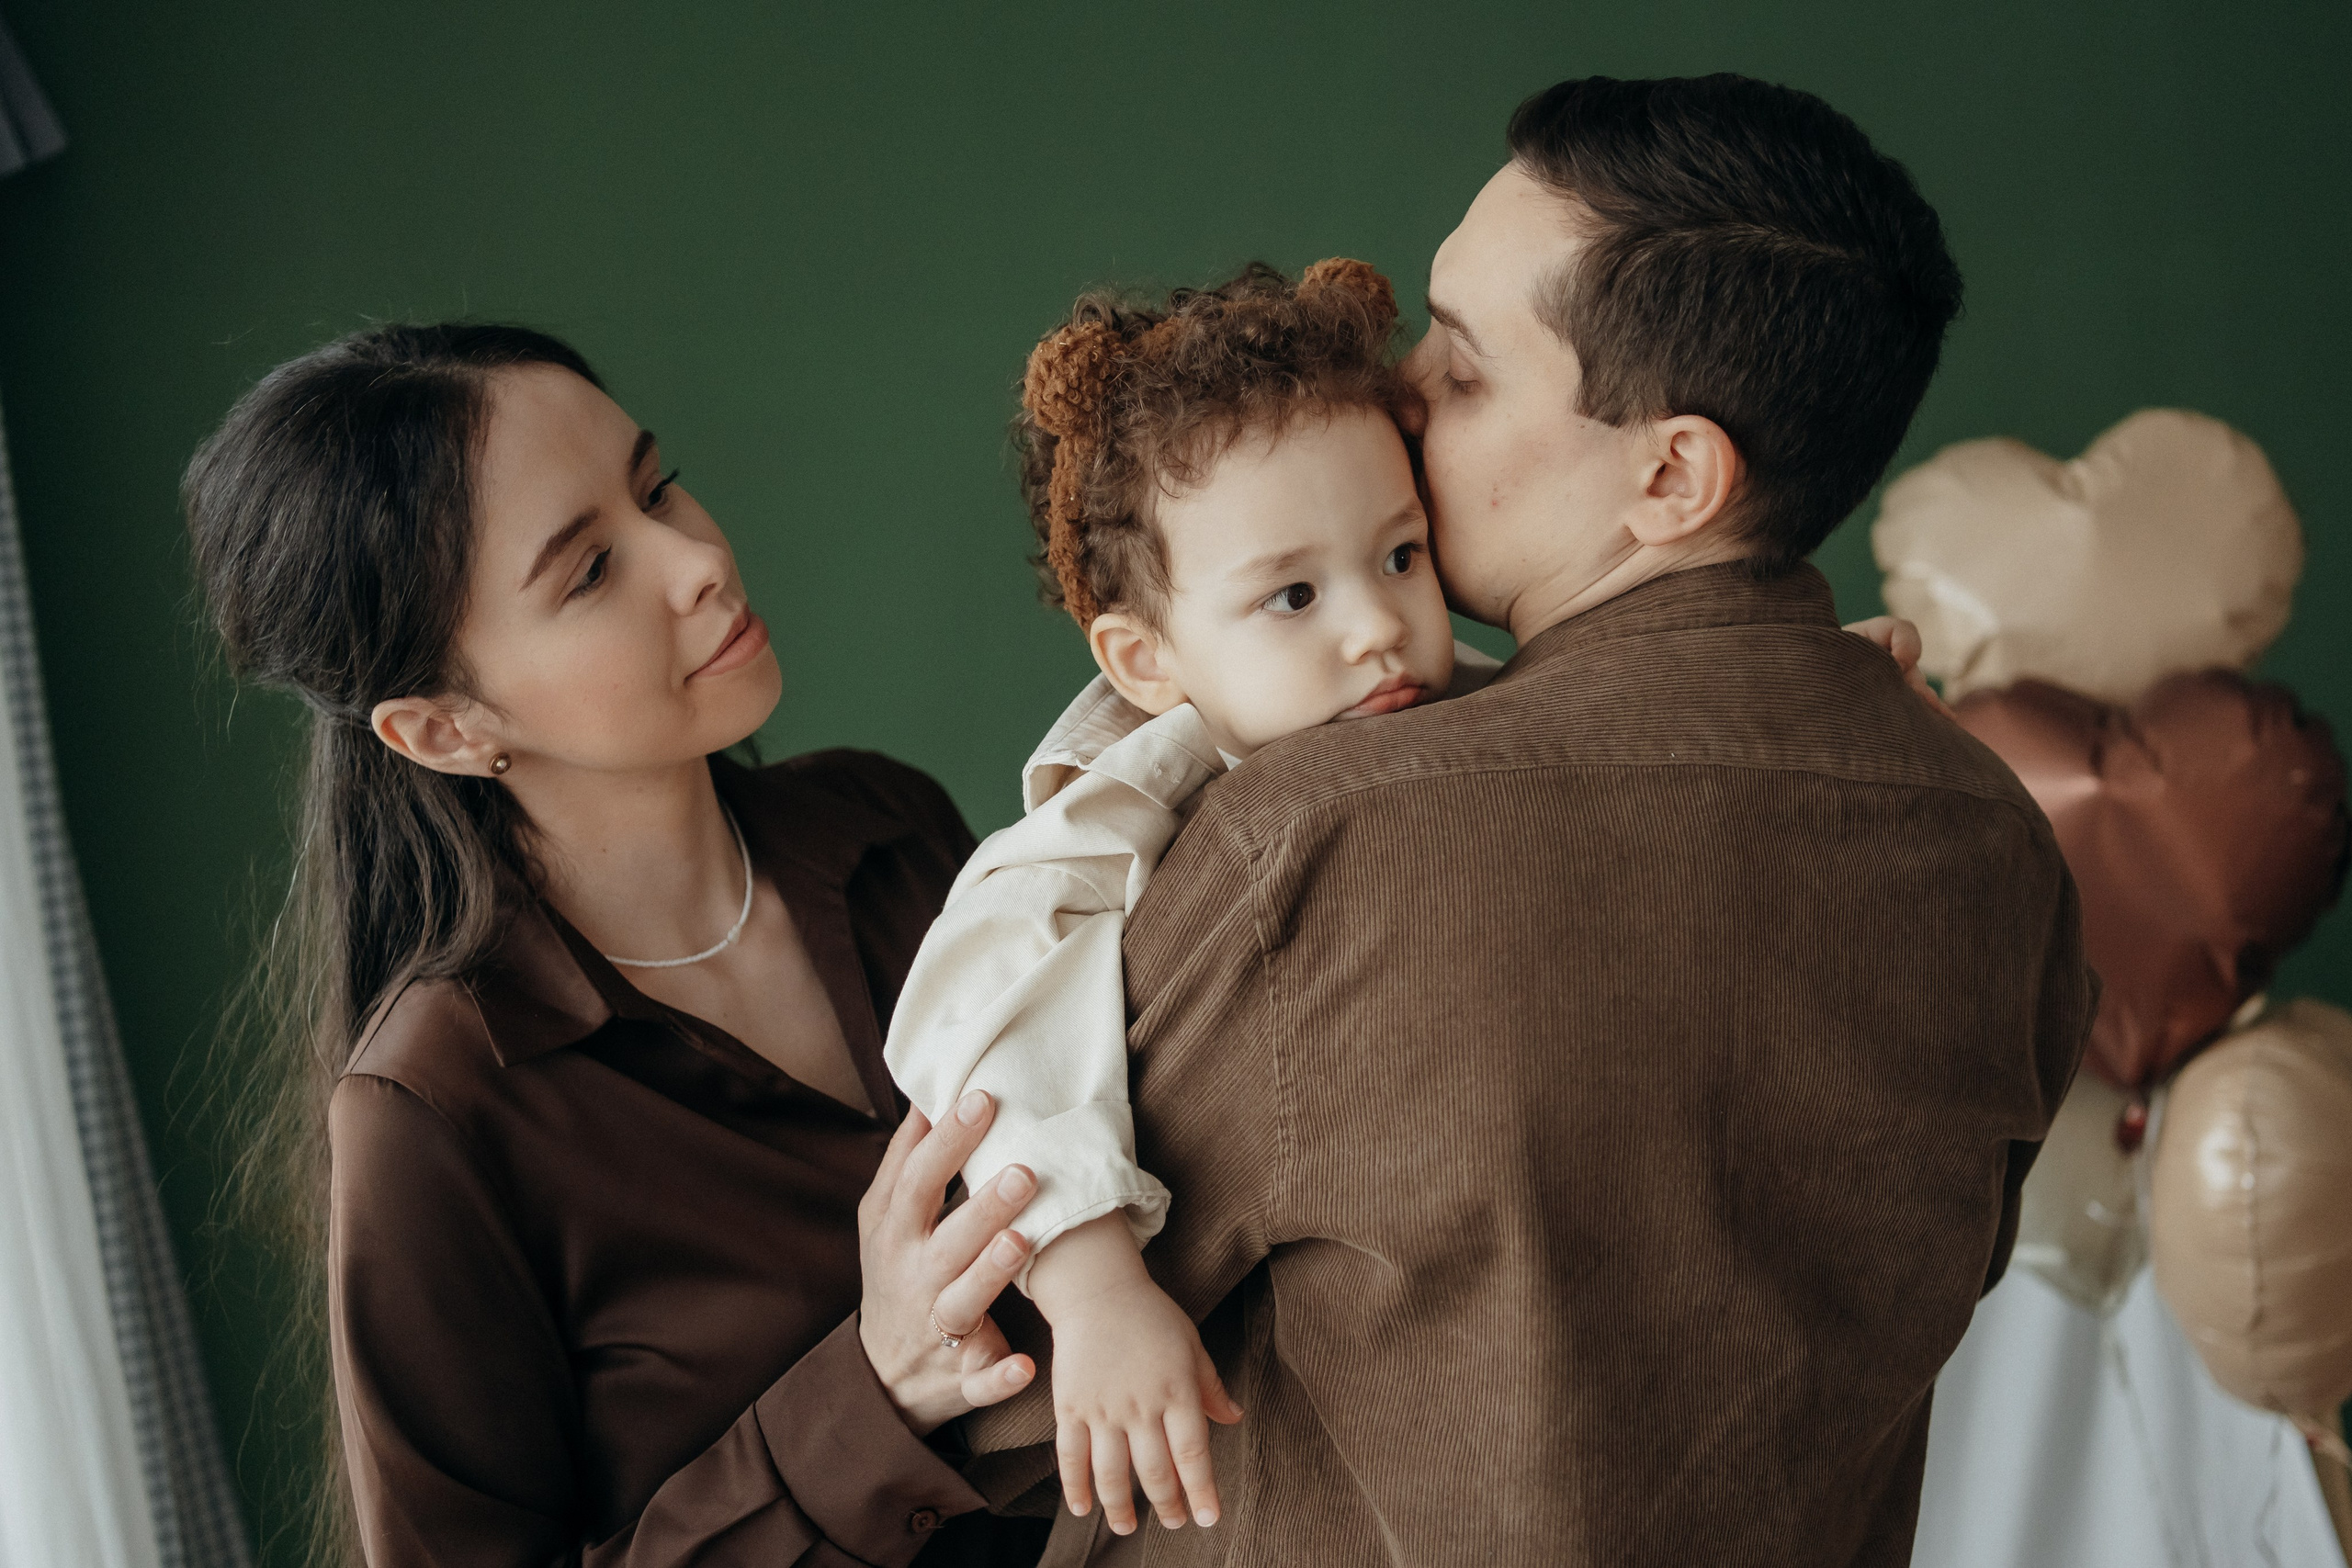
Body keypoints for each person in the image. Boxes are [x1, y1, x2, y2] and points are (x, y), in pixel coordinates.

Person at [965, 73, 2095, 1567]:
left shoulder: (1319, 837)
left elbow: (1007, 1377)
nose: (1397, 391)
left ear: (1671, 474)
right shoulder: (1999, 848)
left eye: (1464, 363)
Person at [885, 258, 1931, 1540]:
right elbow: (990, 1026)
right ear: (1146, 659)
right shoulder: (1123, 813)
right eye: (1293, 596)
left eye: (1400, 554)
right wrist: (1093, 1286)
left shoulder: (1438, 710)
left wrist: (1802, 683)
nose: (1378, 626)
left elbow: (1614, 729)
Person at [186, 324, 1052, 1567]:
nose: (698, 560)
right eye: (590, 570)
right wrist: (873, 1394)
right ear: (443, 728)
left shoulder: (889, 826)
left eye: (658, 488)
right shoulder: (434, 1112)